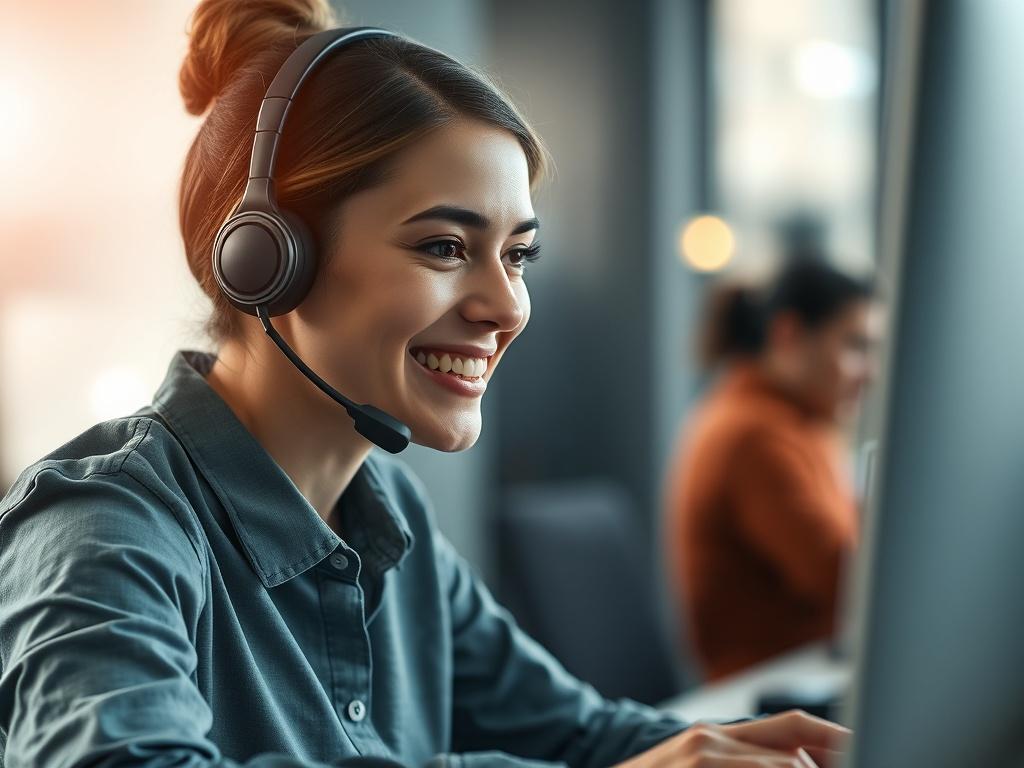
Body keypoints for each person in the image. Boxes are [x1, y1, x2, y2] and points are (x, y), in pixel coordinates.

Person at [0, 2, 849, 766]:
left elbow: (577, 736)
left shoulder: (387, 514)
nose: (504, 306)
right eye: (444, 247)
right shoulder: (104, 527)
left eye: (517, 256)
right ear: (266, 258)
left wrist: (750, 749)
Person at [665, 258, 882, 682]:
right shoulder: (755, 436)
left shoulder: (797, 424)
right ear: (788, 334)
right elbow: (848, 582)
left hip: (805, 670)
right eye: (856, 346)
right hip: (767, 690)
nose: (871, 374)